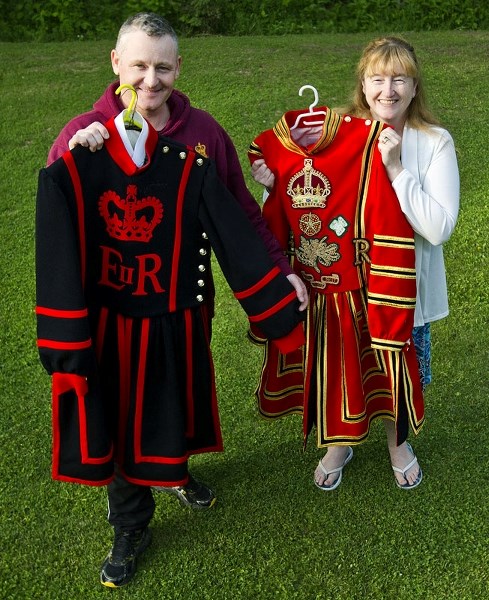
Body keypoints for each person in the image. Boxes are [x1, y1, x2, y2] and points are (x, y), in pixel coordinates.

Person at [40, 12, 307, 589]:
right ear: (117, 63)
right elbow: (56, 216)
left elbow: (237, 210)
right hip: (111, 310)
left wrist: (278, 273)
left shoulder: (204, 132)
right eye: (139, 65)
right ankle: (130, 524)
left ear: (178, 67)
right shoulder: (83, 132)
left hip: (184, 303)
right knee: (120, 409)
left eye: (162, 67)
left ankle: (175, 468)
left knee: (178, 393)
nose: (150, 80)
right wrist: (71, 161)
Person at [251, 36, 459, 491]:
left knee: (393, 367)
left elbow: (439, 228)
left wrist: (396, 168)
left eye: (399, 78)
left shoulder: (434, 141)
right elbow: (308, 206)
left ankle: (397, 444)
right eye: (377, 78)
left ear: (414, 84)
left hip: (400, 285)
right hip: (340, 284)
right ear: (363, 85)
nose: (388, 89)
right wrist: (273, 184)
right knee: (339, 361)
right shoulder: (338, 137)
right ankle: (338, 441)